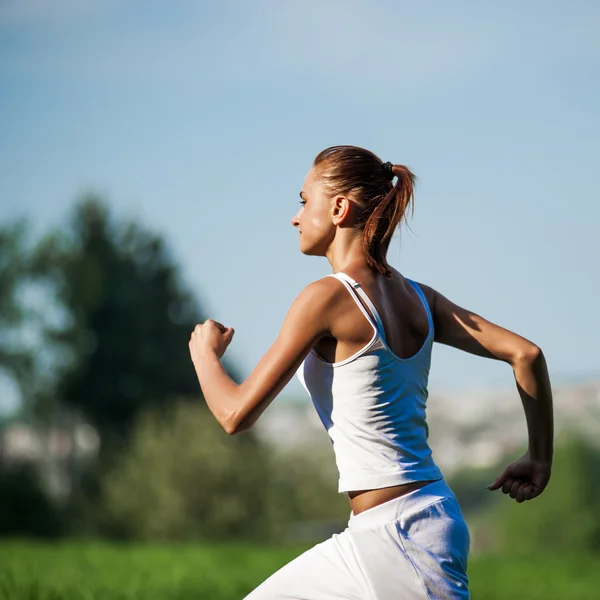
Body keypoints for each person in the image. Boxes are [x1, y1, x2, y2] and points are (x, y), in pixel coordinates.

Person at [188, 145, 554, 599]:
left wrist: (204, 355)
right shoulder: (421, 298)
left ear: (339, 208)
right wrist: (540, 459)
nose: (295, 217)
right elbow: (527, 354)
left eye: (304, 201)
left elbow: (234, 415)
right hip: (392, 526)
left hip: (401, 537)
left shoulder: (324, 298)